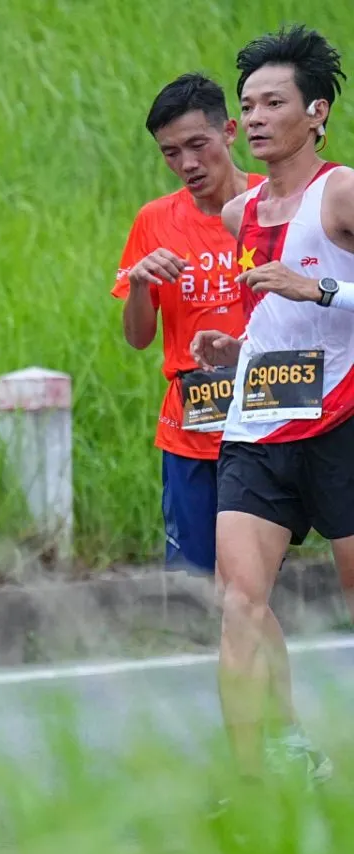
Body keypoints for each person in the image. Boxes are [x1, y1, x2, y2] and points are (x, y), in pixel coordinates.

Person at [189, 25, 354, 786]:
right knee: (239, 602)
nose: (254, 118)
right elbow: (274, 319)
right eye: (248, 105)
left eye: (273, 103)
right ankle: (256, 778)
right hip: (258, 423)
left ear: (316, 112)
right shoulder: (241, 212)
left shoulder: (341, 192)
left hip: (341, 424)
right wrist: (236, 348)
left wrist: (317, 288)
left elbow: (309, 294)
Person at [115, 73, 262, 576]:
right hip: (191, 429)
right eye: (171, 153)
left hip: (271, 421)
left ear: (229, 131)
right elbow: (138, 338)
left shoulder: (275, 205)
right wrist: (139, 283)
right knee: (194, 585)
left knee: (254, 579)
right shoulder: (155, 220)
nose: (188, 164)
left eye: (198, 145)